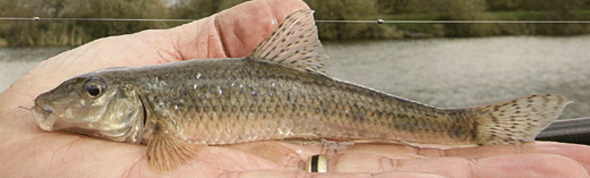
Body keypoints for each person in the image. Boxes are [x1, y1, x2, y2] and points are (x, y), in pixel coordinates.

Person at [1, 0, 589, 177]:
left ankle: (466, 129)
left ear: (131, 101)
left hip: (297, 90)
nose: (76, 101)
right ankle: (465, 131)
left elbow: (168, 152)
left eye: (95, 93)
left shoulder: (155, 108)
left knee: (446, 131)